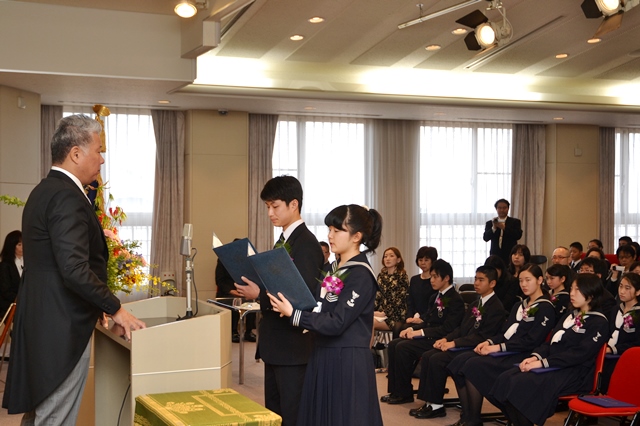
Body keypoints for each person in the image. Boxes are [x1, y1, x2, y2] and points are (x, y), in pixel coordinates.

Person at [2, 114, 146, 424]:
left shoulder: (45, 190)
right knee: (55, 417)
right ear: (76, 154)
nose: (102, 159)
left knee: (41, 415)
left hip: (44, 318)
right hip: (60, 325)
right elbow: (74, 268)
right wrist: (116, 308)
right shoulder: (66, 196)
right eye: (99, 150)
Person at [268, 204, 384, 426]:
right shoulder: (333, 268)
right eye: (329, 229)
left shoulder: (361, 275)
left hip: (347, 360)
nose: (330, 235)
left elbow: (337, 322)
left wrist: (294, 314)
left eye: (337, 230)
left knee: (345, 417)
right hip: (323, 352)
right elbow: (318, 305)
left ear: (356, 236)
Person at [234, 175, 324, 426]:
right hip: (277, 343)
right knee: (275, 413)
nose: (270, 213)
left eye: (275, 206)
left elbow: (301, 296)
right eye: (267, 207)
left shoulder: (307, 244)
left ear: (293, 204)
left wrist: (259, 294)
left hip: (293, 346)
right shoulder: (283, 240)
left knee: (292, 414)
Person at [490, 273, 611, 426]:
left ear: (591, 294)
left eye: (577, 290)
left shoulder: (599, 322)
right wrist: (535, 357)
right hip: (555, 365)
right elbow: (551, 343)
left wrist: (543, 363)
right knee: (506, 378)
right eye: (571, 289)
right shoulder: (570, 315)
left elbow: (578, 354)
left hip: (575, 372)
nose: (571, 294)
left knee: (520, 383)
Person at [448, 263, 555, 426]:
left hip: (524, 354)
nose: (524, 284)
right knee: (459, 360)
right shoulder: (519, 305)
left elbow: (532, 341)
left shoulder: (545, 308)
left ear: (540, 280)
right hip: (508, 349)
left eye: (528, 280)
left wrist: (498, 347)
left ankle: (474, 419)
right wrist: (488, 342)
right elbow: (505, 333)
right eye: (521, 280)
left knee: (473, 365)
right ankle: (468, 416)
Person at [408, 265, 506, 419]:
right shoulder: (475, 304)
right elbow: (462, 328)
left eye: (481, 280)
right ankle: (429, 402)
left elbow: (482, 337)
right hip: (464, 344)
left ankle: (436, 406)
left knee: (437, 359)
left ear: (492, 283)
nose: (476, 283)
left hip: (476, 348)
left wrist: (454, 343)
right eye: (475, 279)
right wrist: (446, 339)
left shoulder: (496, 307)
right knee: (428, 355)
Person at [380, 259, 465, 405]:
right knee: (394, 344)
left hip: (441, 339)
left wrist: (420, 333)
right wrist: (411, 329)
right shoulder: (436, 296)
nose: (431, 280)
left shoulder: (455, 299)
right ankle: (397, 391)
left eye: (435, 277)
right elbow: (427, 320)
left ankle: (404, 393)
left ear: (446, 278)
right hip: (430, 335)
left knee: (403, 347)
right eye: (431, 276)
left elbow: (448, 328)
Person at [602, 272, 640, 393]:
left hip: (626, 356)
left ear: (638, 292)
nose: (622, 291)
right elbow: (608, 332)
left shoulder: (638, 313)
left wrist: (614, 349)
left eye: (627, 288)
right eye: (620, 286)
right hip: (608, 354)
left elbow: (637, 343)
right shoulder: (615, 309)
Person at [215, 254, 256, 343]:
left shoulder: (246, 261)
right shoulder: (223, 260)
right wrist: (232, 291)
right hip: (227, 292)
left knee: (251, 301)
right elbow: (220, 280)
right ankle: (233, 332)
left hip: (243, 290)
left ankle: (248, 331)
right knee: (234, 301)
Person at [374, 247, 409, 337]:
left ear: (398, 260)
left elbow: (399, 301)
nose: (387, 259)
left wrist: (384, 313)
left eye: (391, 256)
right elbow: (377, 296)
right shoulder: (381, 276)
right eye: (385, 256)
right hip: (380, 314)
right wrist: (372, 311)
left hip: (394, 316)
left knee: (369, 323)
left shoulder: (402, 276)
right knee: (362, 319)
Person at [403, 246, 439, 329]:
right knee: (398, 327)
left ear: (432, 261)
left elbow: (435, 305)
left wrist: (422, 318)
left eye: (426, 260)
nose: (423, 263)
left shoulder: (436, 281)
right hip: (414, 316)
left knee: (406, 329)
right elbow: (410, 301)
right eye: (420, 260)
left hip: (428, 319)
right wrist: (409, 316)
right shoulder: (414, 279)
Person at [483, 199, 523, 265]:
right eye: (499, 208)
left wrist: (505, 228)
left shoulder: (515, 222)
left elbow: (518, 235)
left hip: (510, 253)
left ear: (508, 208)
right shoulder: (491, 223)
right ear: (496, 209)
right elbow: (485, 238)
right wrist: (494, 228)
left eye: (504, 208)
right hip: (495, 254)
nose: (502, 210)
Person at [0, 230, 22, 316]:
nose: (23, 247)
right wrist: (21, 299)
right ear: (12, 246)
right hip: (10, 307)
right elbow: (5, 291)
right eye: (19, 245)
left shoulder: (29, 263)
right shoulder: (5, 265)